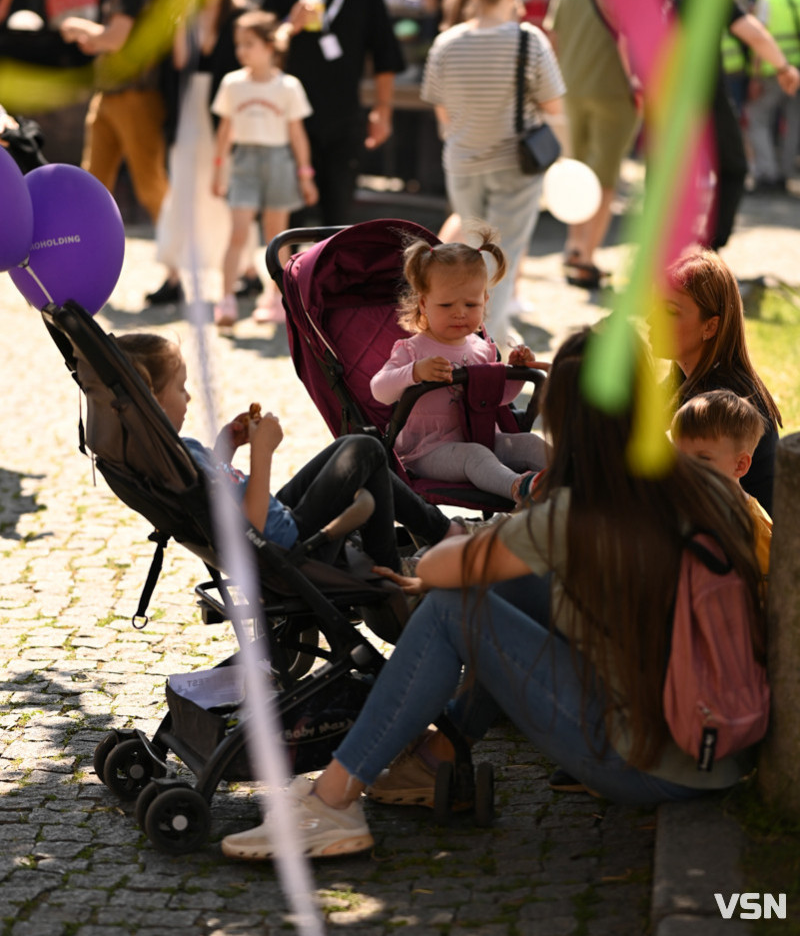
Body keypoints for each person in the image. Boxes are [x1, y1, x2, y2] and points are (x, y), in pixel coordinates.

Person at [220, 325, 766, 861]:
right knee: (506, 584)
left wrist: (471, 546)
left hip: (651, 763)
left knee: (454, 608)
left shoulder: (583, 513)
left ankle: (332, 801)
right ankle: (435, 756)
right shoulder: (701, 485)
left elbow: (438, 566)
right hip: (718, 745)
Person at [115, 333, 401, 572]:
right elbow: (252, 524)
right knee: (365, 449)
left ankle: (421, 538)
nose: (188, 396)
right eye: (180, 389)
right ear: (153, 401)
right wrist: (262, 451)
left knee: (349, 447)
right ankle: (396, 566)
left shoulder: (172, 454)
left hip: (277, 524)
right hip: (286, 545)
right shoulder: (176, 457)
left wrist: (226, 446)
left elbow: (210, 494)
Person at [421, 0, 566, 347]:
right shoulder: (528, 40)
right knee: (502, 259)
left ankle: (457, 336)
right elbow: (554, 104)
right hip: (513, 164)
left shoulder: (446, 43)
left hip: (463, 161)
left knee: (470, 254)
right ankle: (492, 345)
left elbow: (442, 111)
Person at [371, 229, 548, 503]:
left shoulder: (481, 348)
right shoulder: (413, 349)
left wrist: (514, 373)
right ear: (423, 303)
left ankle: (576, 480)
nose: (460, 313)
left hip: (481, 435)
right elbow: (379, 390)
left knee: (529, 443)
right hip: (428, 450)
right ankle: (519, 488)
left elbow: (499, 399)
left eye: (470, 303)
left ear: (485, 301)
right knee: (476, 456)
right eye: (446, 304)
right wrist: (414, 372)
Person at [655, 0, 799, 250]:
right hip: (704, 92)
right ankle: (709, 249)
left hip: (660, 92)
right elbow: (753, 33)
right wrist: (784, 67)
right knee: (733, 166)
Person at [261, 0, 405, 226]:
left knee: (338, 213)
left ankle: (327, 277)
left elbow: (384, 56)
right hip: (289, 118)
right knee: (289, 213)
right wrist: (288, 25)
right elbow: (257, 48)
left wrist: (383, 111)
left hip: (344, 118)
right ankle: (285, 278)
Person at [544, 0, 650, 289]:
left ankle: (573, 247)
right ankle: (587, 257)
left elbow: (552, 40)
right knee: (604, 181)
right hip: (615, 95)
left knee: (577, 173)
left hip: (570, 93)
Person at [146, 0, 250, 308]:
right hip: (188, 110)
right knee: (183, 189)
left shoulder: (240, 14)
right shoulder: (184, 13)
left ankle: (246, 270)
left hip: (226, 114)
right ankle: (174, 274)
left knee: (228, 191)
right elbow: (178, 63)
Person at [60, 0, 169, 231]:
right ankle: (85, 249)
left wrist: (78, 28)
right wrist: (97, 39)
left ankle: (179, 264)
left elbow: (116, 38)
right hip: (110, 92)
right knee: (92, 182)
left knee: (150, 185)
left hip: (135, 94)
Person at [652, 246, 781, 513]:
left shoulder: (718, 401)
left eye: (670, 311)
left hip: (737, 545)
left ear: (710, 326)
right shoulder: (688, 372)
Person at [211, 10, 318, 328]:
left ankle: (276, 299)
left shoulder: (288, 86)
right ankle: (226, 299)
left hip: (278, 161)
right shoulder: (232, 83)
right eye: (238, 44)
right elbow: (225, 131)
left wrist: (305, 174)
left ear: (270, 46)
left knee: (277, 237)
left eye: (249, 43)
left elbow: (297, 134)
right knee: (239, 232)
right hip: (244, 161)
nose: (241, 50)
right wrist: (218, 170)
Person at [671, 389, 771, 579]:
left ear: (740, 465)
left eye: (703, 459)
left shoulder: (754, 529)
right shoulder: (683, 504)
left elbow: (769, 594)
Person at [747, 0, 800, 194]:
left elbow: (759, 37)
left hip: (773, 70)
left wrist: (756, 76)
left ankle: (767, 173)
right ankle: (785, 173)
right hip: (797, 72)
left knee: (757, 118)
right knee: (794, 122)